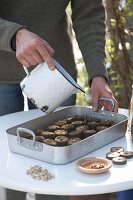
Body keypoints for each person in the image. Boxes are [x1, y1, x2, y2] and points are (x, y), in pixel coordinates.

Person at [0, 0, 118, 200]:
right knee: (9, 164)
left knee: (56, 173)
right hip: (2, 71)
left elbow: (88, 13)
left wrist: (98, 74)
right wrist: (13, 34)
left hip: (56, 73)